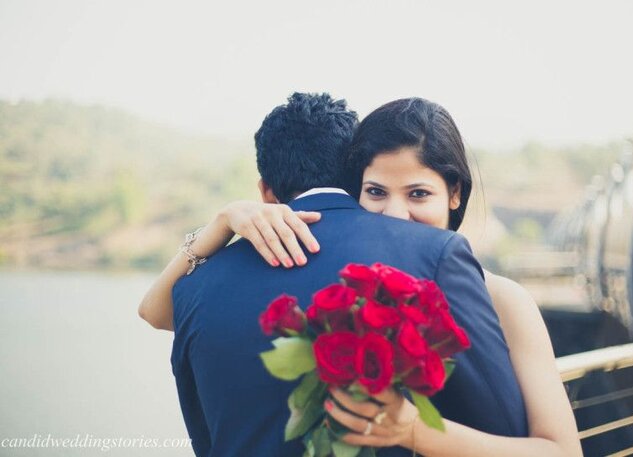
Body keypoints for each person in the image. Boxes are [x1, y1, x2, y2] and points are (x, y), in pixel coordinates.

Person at [139, 94, 581, 456]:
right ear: (354, 189)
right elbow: (152, 311)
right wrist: (219, 224)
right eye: (376, 193)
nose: (394, 215)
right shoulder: (370, 277)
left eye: (418, 194)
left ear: (455, 193)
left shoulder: (498, 293)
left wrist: (413, 431)